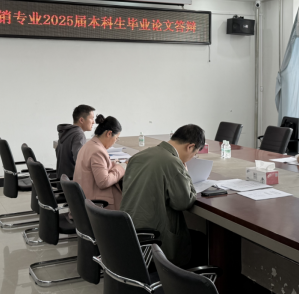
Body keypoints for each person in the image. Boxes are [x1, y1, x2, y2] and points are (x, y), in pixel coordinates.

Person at [120, 124, 205, 268]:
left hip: (129, 232)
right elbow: (183, 202)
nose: (192, 158)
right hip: (156, 240)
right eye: (194, 154)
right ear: (190, 147)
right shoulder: (172, 162)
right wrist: (185, 173)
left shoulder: (139, 156)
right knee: (200, 240)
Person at [73, 115, 125, 210]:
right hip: (97, 206)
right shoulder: (97, 151)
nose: (115, 141)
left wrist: (114, 164)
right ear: (109, 133)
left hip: (85, 201)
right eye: (116, 138)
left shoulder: (89, 145)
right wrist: (120, 168)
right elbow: (103, 182)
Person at [56, 105, 95, 180]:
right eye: (92, 118)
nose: (94, 122)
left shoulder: (66, 132)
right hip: (73, 181)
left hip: (63, 181)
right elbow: (80, 161)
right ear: (81, 120)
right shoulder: (78, 134)